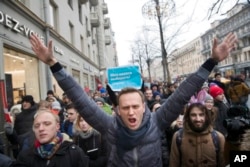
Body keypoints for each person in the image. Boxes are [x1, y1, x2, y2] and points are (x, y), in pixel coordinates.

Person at [29, 32, 237, 166]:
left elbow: (183, 92)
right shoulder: (109, 126)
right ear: (117, 110)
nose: (130, 111)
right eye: (125, 107)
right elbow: (79, 98)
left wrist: (211, 62)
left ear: (143, 108)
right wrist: (53, 64)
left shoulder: (158, 121)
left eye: (135, 106)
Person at [13, 110, 89, 167]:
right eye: (37, 126)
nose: (41, 128)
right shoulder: (25, 156)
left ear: (57, 127)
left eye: (47, 124)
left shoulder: (75, 153)